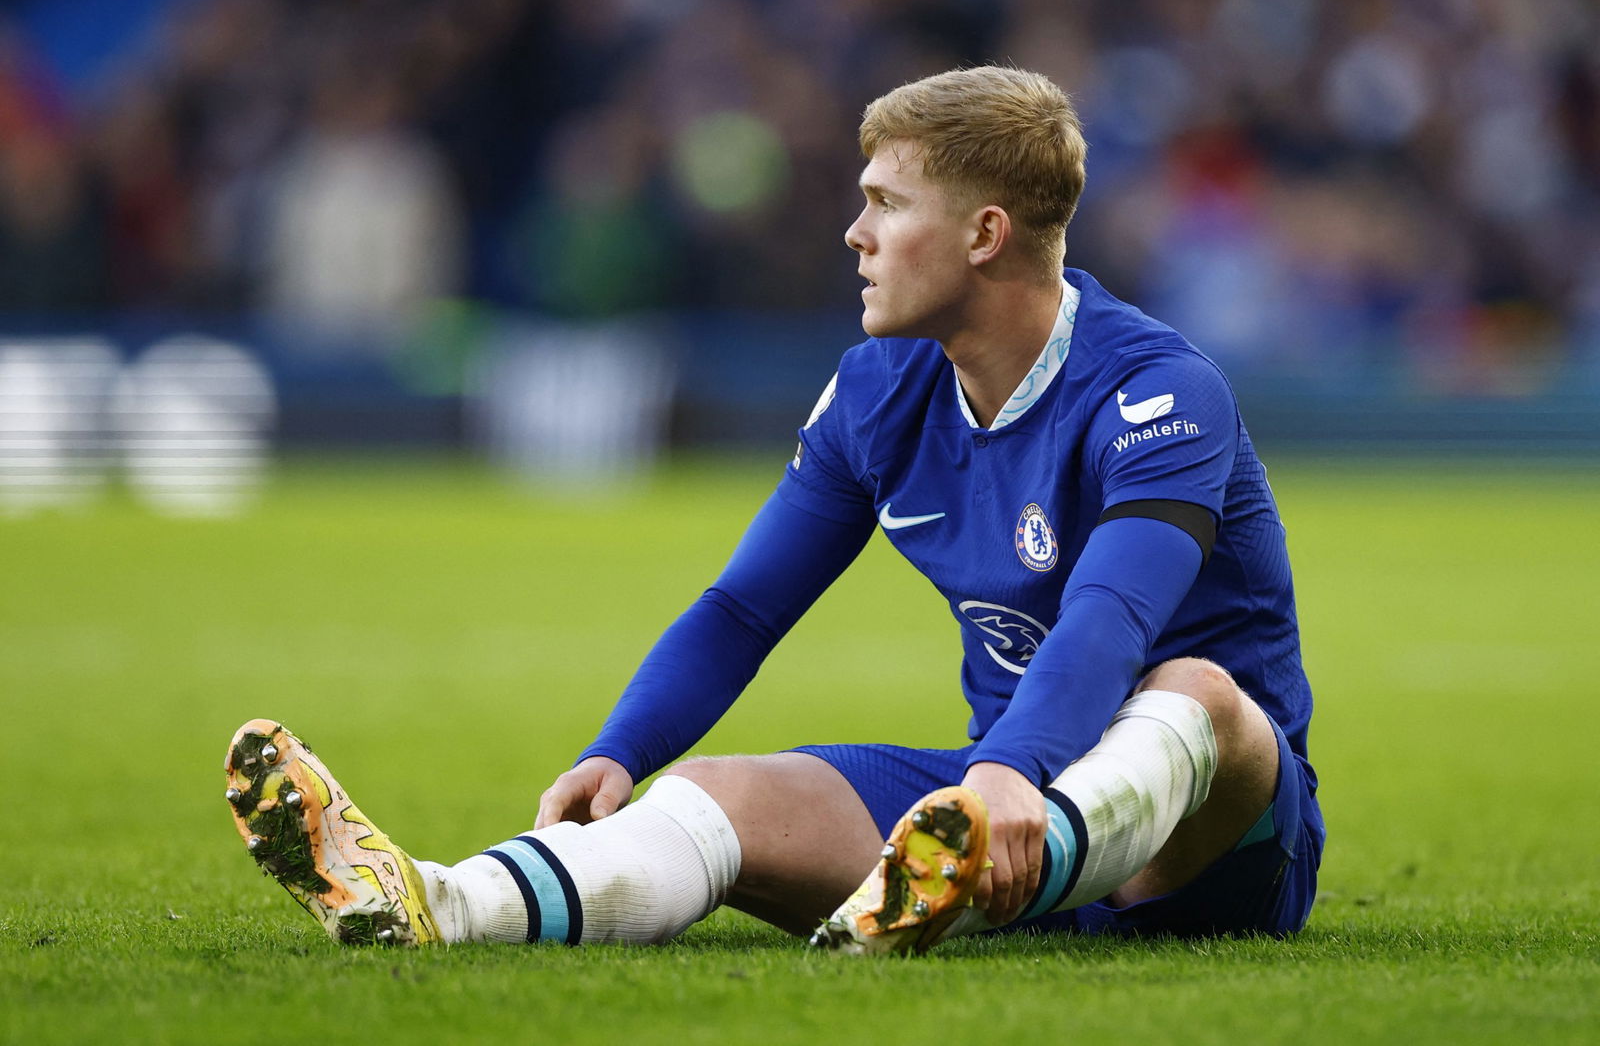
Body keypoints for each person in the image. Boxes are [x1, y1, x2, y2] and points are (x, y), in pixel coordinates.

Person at [224, 65, 1323, 953]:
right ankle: (434, 902)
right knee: (708, 794)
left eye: (886, 203)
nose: (854, 232)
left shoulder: (1159, 391)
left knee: (1196, 692)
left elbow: (1109, 619)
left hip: (1203, 846)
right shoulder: (879, 388)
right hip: (996, 795)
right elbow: (744, 608)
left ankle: (980, 870)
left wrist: (1008, 770)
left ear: (985, 234)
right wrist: (621, 749)